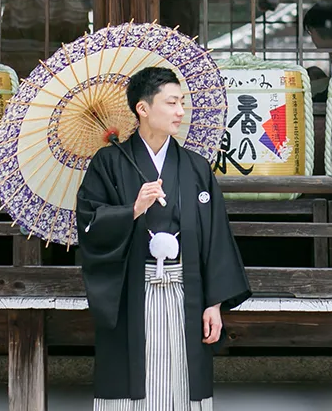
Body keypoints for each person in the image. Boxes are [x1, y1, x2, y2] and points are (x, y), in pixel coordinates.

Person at [77, 67, 251, 410]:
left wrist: (214, 303)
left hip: (186, 290)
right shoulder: (108, 162)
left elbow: (216, 238)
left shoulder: (196, 167)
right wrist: (132, 209)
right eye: (171, 103)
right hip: (132, 292)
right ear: (143, 108)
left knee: (182, 384)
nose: (180, 112)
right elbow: (89, 225)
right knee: (133, 385)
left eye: (181, 102)